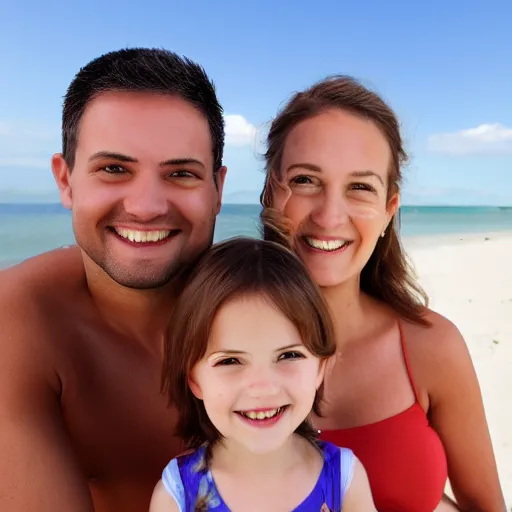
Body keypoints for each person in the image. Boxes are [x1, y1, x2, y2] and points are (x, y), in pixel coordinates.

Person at [260, 76, 506, 511]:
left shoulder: (431, 346)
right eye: (305, 180)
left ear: (390, 209)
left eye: (360, 187)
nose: (330, 215)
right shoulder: (205, 340)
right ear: (270, 194)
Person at [0, 48, 227, 512]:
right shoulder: (20, 319)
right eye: (114, 169)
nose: (145, 206)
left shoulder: (267, 302)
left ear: (218, 190)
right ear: (65, 181)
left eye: (181, 173)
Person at [149, 231, 377, 511]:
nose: (263, 387)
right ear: (194, 378)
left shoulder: (344, 479)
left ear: (321, 367)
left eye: (289, 355)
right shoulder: (178, 492)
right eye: (230, 361)